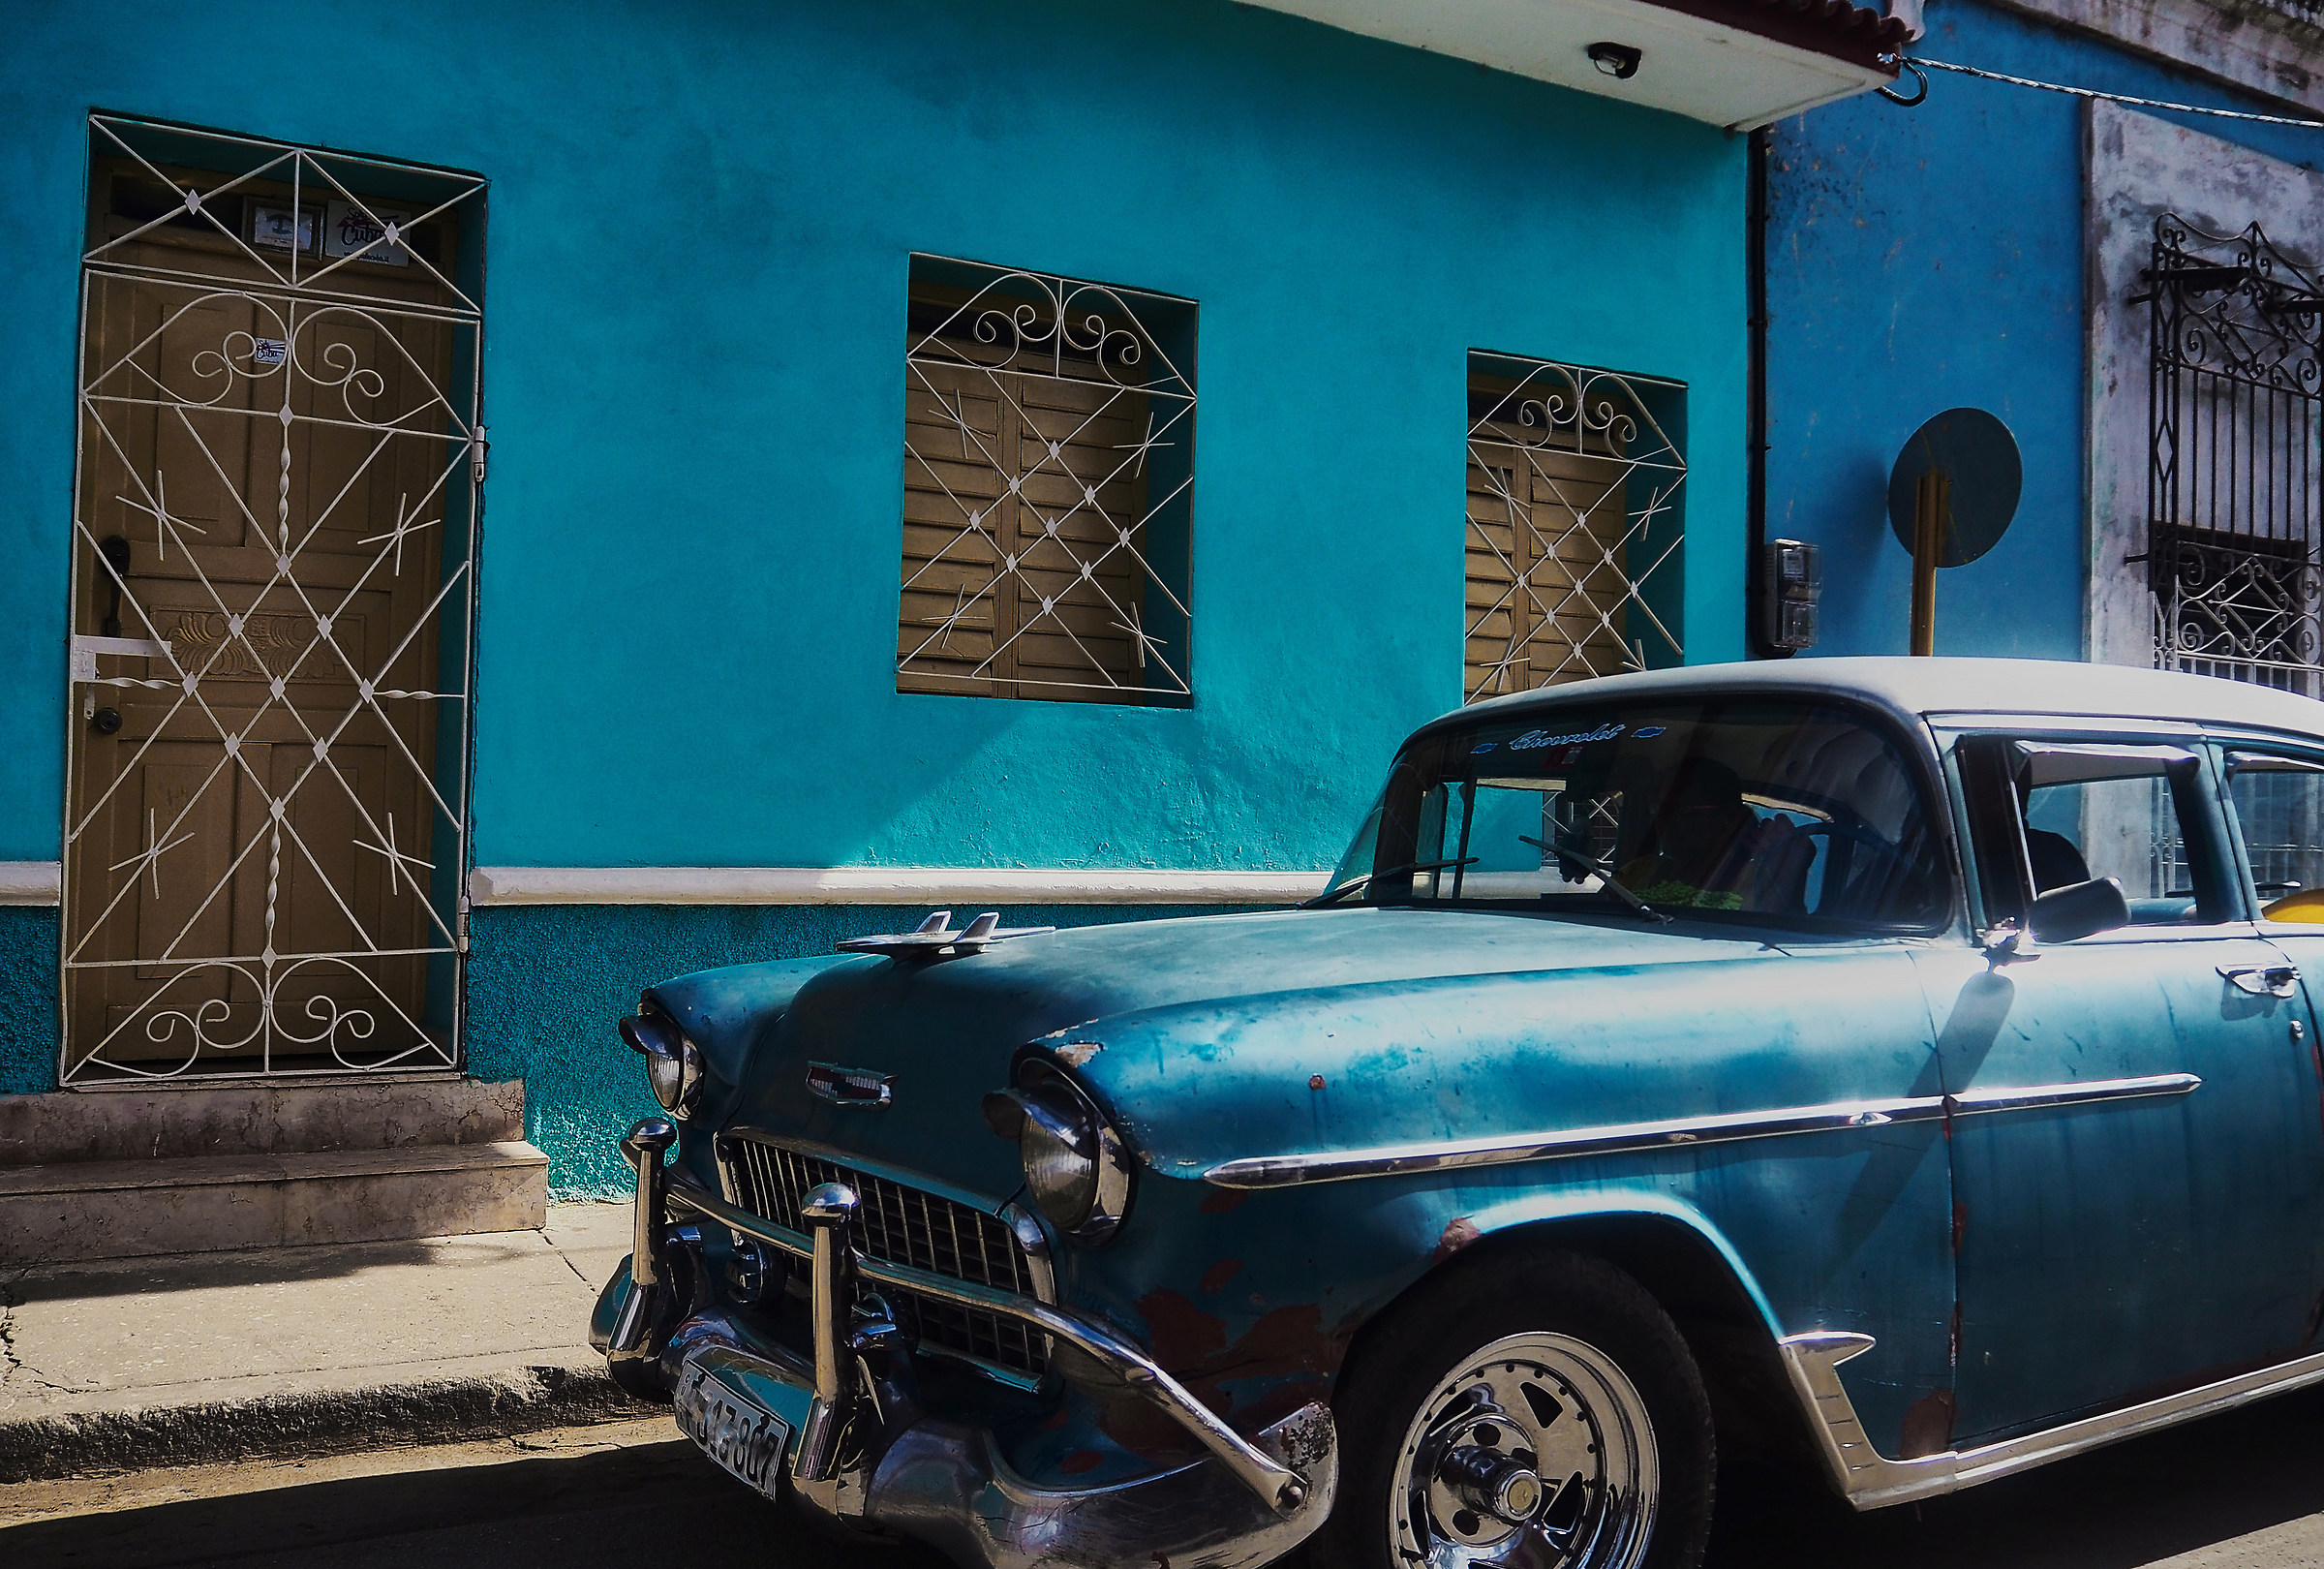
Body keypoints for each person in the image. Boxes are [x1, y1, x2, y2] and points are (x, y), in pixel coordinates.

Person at [1616, 757, 1811, 912]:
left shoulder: (1763, 878)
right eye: (1659, 808)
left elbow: (1785, 931)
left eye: (1683, 808)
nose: (1664, 820)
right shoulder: (1638, 870)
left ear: (1728, 816)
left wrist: (1792, 871)